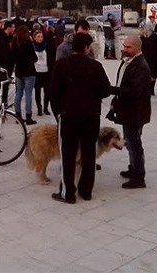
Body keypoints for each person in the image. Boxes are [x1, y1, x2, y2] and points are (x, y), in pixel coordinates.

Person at [49, 33, 111, 204]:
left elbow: (53, 93)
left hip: (68, 116)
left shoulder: (61, 65)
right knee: (89, 154)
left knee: (67, 155)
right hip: (91, 116)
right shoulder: (96, 66)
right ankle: (86, 190)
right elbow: (105, 90)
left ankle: (67, 192)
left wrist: (58, 113)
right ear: (86, 47)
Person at [108, 35, 152, 189]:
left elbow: (134, 91)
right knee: (130, 141)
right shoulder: (128, 61)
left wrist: (111, 89)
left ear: (137, 48)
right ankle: (133, 168)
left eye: (128, 47)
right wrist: (115, 99)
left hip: (135, 112)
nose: (124, 49)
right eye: (124, 46)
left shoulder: (140, 66)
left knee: (134, 143)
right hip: (128, 110)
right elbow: (122, 81)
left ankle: (139, 177)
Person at [12, 25, 38, 124]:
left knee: (18, 93)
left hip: (19, 71)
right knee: (28, 94)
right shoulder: (28, 43)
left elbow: (13, 57)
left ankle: (17, 115)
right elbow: (34, 58)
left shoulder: (15, 43)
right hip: (29, 71)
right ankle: (28, 116)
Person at [32, 29, 55, 117]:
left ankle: (45, 107)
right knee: (37, 91)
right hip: (37, 72)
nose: (40, 38)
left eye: (41, 36)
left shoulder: (47, 46)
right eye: (38, 37)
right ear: (34, 38)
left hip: (46, 71)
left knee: (47, 91)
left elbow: (51, 58)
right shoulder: (32, 47)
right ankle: (39, 108)